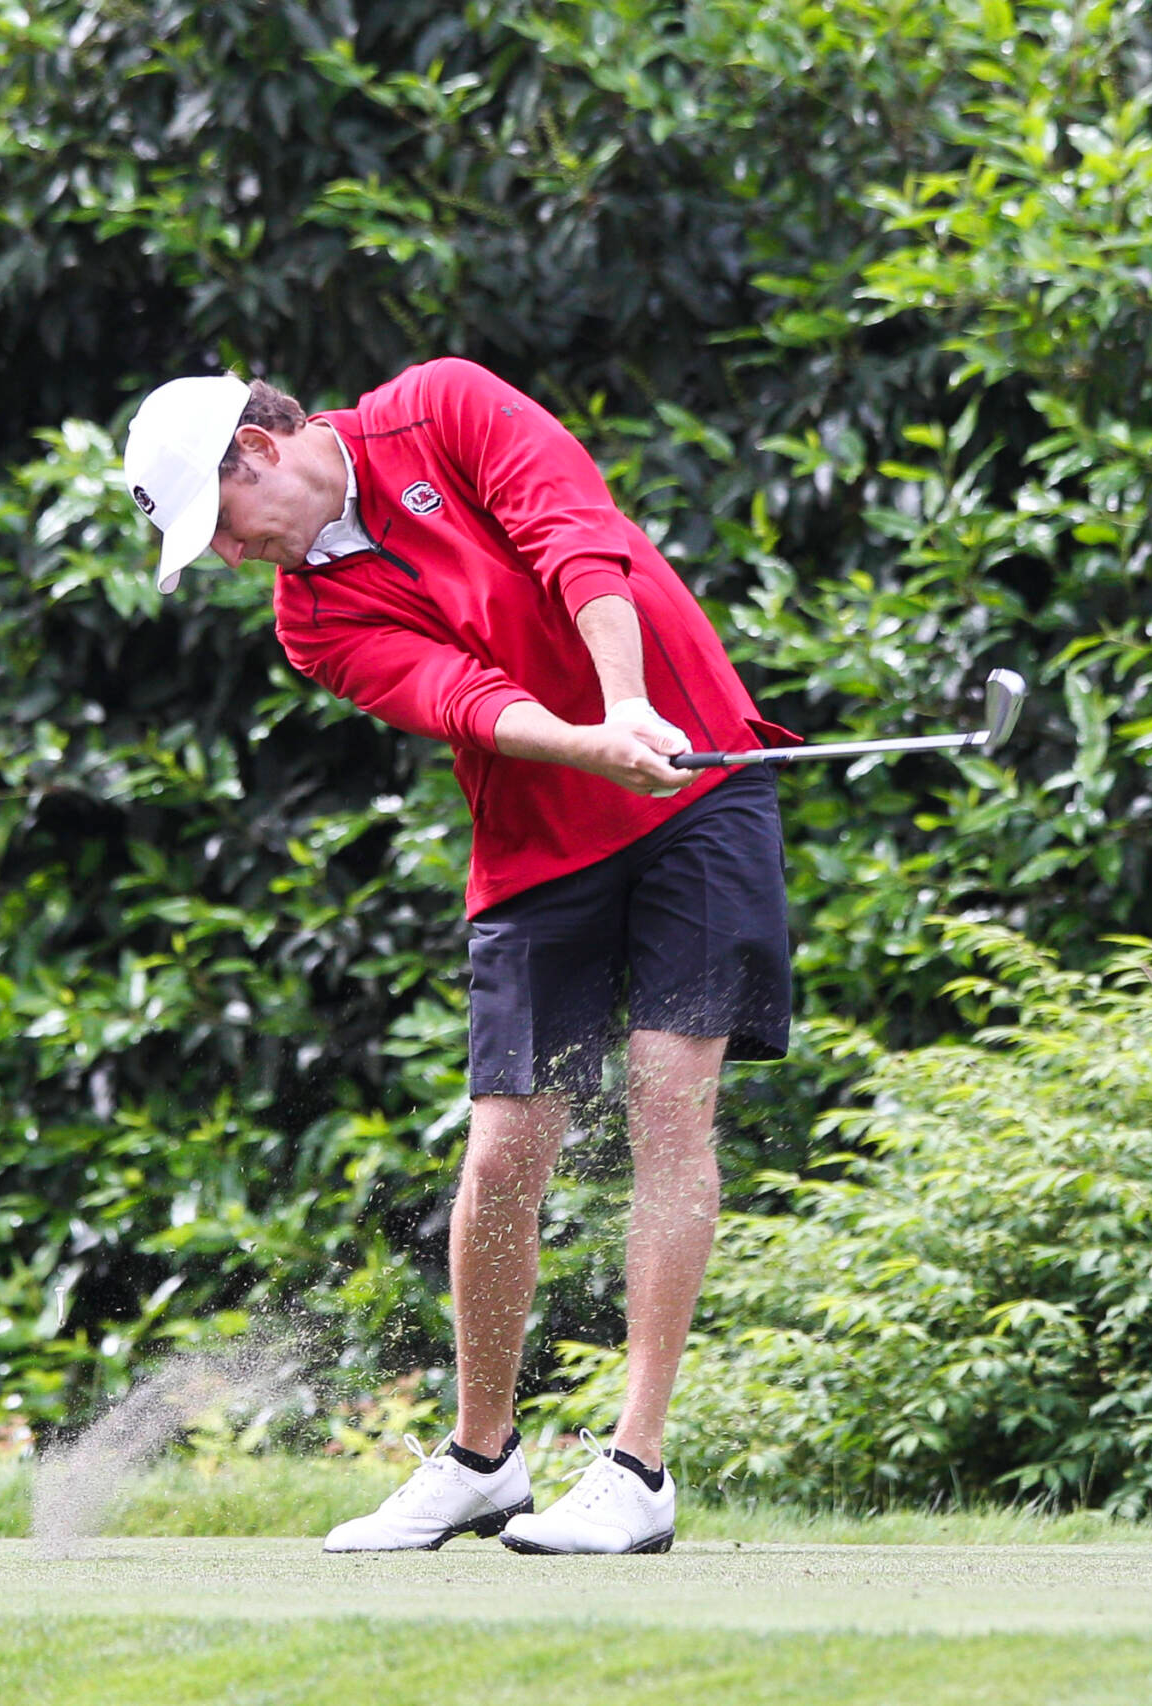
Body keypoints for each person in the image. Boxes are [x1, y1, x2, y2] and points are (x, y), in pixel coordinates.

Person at [120, 360, 794, 1556]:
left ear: (261, 452)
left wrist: (629, 706)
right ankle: (485, 1457)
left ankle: (636, 1468)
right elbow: (460, 697)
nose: (227, 556)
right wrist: (590, 741)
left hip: (698, 782)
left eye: (221, 522)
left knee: (668, 1100)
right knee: (502, 1149)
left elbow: (578, 540)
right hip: (538, 833)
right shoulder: (310, 619)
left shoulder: (446, 405)